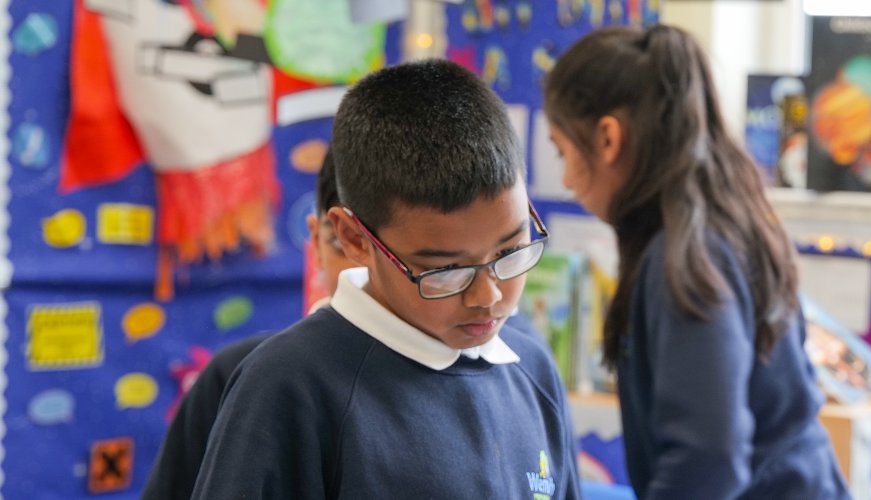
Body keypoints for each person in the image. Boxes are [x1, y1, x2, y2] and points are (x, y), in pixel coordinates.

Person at [190, 59, 579, 499]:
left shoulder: (532, 370)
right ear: (355, 238)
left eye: (510, 252)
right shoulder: (289, 385)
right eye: (447, 270)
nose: (488, 296)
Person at [542, 25, 850, 499]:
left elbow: (706, 462)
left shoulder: (685, 257)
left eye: (563, 151)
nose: (565, 178)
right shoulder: (730, 220)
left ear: (607, 139)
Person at [142, 150, 352, 500]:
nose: (359, 274)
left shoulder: (464, 375)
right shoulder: (239, 372)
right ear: (315, 241)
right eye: (342, 244)